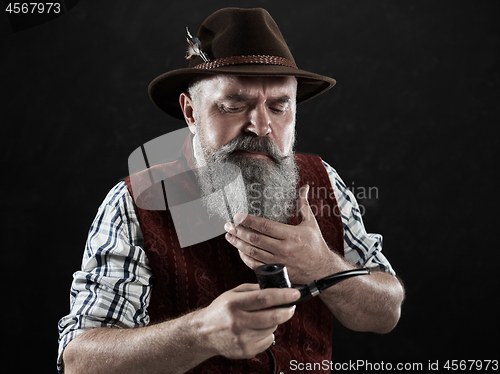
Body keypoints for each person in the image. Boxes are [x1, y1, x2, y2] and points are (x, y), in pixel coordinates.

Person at [58, 7, 405, 374]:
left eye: (278, 107)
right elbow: (79, 362)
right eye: (234, 105)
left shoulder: (322, 181)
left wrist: (323, 265)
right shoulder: (135, 202)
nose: (260, 126)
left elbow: (387, 311)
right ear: (191, 113)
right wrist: (200, 333)